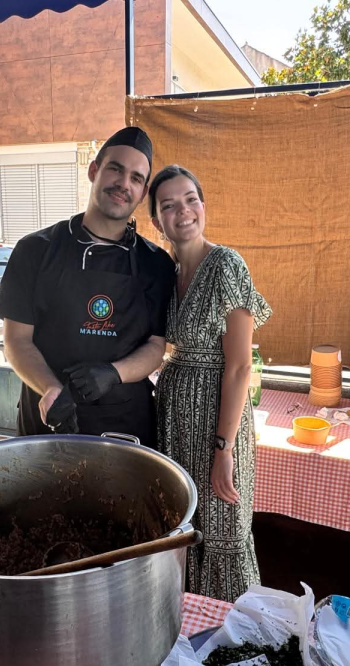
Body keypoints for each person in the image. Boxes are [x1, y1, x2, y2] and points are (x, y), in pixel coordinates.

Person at [0, 127, 175, 448]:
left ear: (143, 193)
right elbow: (16, 341)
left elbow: (156, 347)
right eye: (115, 169)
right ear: (94, 170)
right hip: (47, 418)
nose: (123, 184)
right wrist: (50, 388)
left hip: (124, 425)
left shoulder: (155, 263)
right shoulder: (35, 249)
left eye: (135, 178)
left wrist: (113, 373)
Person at [149, 165, 272, 602]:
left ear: (203, 205)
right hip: (176, 424)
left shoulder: (226, 265)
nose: (183, 211)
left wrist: (223, 449)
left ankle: (239, 644)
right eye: (169, 205)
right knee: (186, 532)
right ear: (156, 221)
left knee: (224, 536)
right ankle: (194, 638)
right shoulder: (168, 272)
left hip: (217, 430)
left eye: (190, 199)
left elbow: (239, 367)